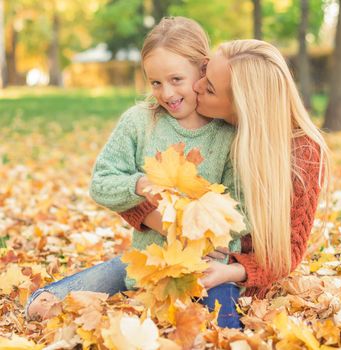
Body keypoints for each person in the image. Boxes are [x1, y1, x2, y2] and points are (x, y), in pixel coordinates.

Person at [26, 17, 246, 329]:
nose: (166, 93)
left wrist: (191, 228)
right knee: (41, 305)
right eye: (155, 83)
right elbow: (101, 182)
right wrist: (138, 183)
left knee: (223, 329)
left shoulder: (226, 133)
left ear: (202, 70)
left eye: (176, 79)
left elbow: (242, 211)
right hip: (145, 263)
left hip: (207, 268)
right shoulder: (139, 122)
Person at [122, 38, 330, 300]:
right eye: (204, 72)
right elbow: (124, 186)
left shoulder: (304, 153)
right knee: (66, 293)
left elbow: (287, 253)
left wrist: (230, 272)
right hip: (165, 255)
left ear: (242, 107)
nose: (195, 86)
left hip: (230, 278)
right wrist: (170, 228)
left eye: (209, 88)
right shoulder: (194, 121)